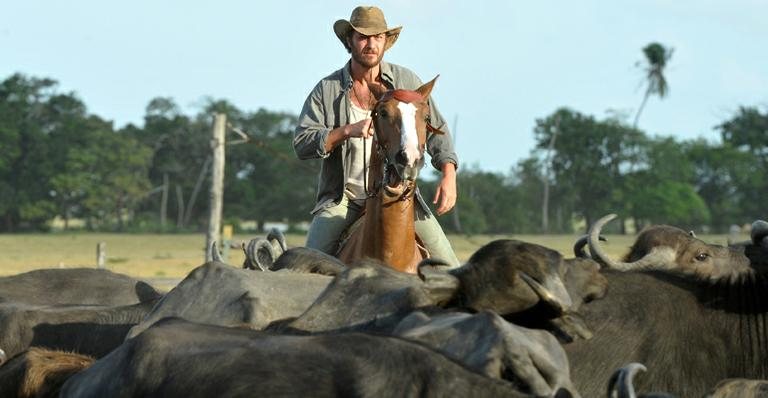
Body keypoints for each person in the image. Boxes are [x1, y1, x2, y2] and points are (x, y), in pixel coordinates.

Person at [293, 5, 460, 268]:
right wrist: (346, 131)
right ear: (350, 41)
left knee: (452, 269)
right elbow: (302, 143)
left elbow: (436, 129)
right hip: (344, 199)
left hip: (400, 195)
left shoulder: (407, 81)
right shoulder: (327, 90)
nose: (371, 44)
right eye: (363, 37)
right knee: (303, 271)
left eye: (378, 37)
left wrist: (448, 175)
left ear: (386, 42)